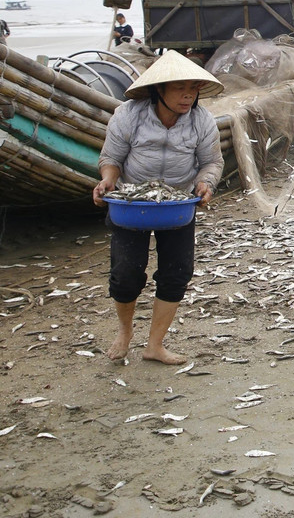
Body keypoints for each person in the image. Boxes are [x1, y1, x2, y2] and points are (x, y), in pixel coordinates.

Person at [92, 52, 225, 363]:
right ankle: (125, 332)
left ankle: (155, 345)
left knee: (177, 272)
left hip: (177, 204)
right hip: (133, 203)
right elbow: (110, 159)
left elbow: (211, 162)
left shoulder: (202, 120)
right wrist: (107, 181)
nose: (188, 95)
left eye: (193, 88)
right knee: (125, 274)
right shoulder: (128, 115)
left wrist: (206, 184)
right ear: (158, 90)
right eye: (180, 88)